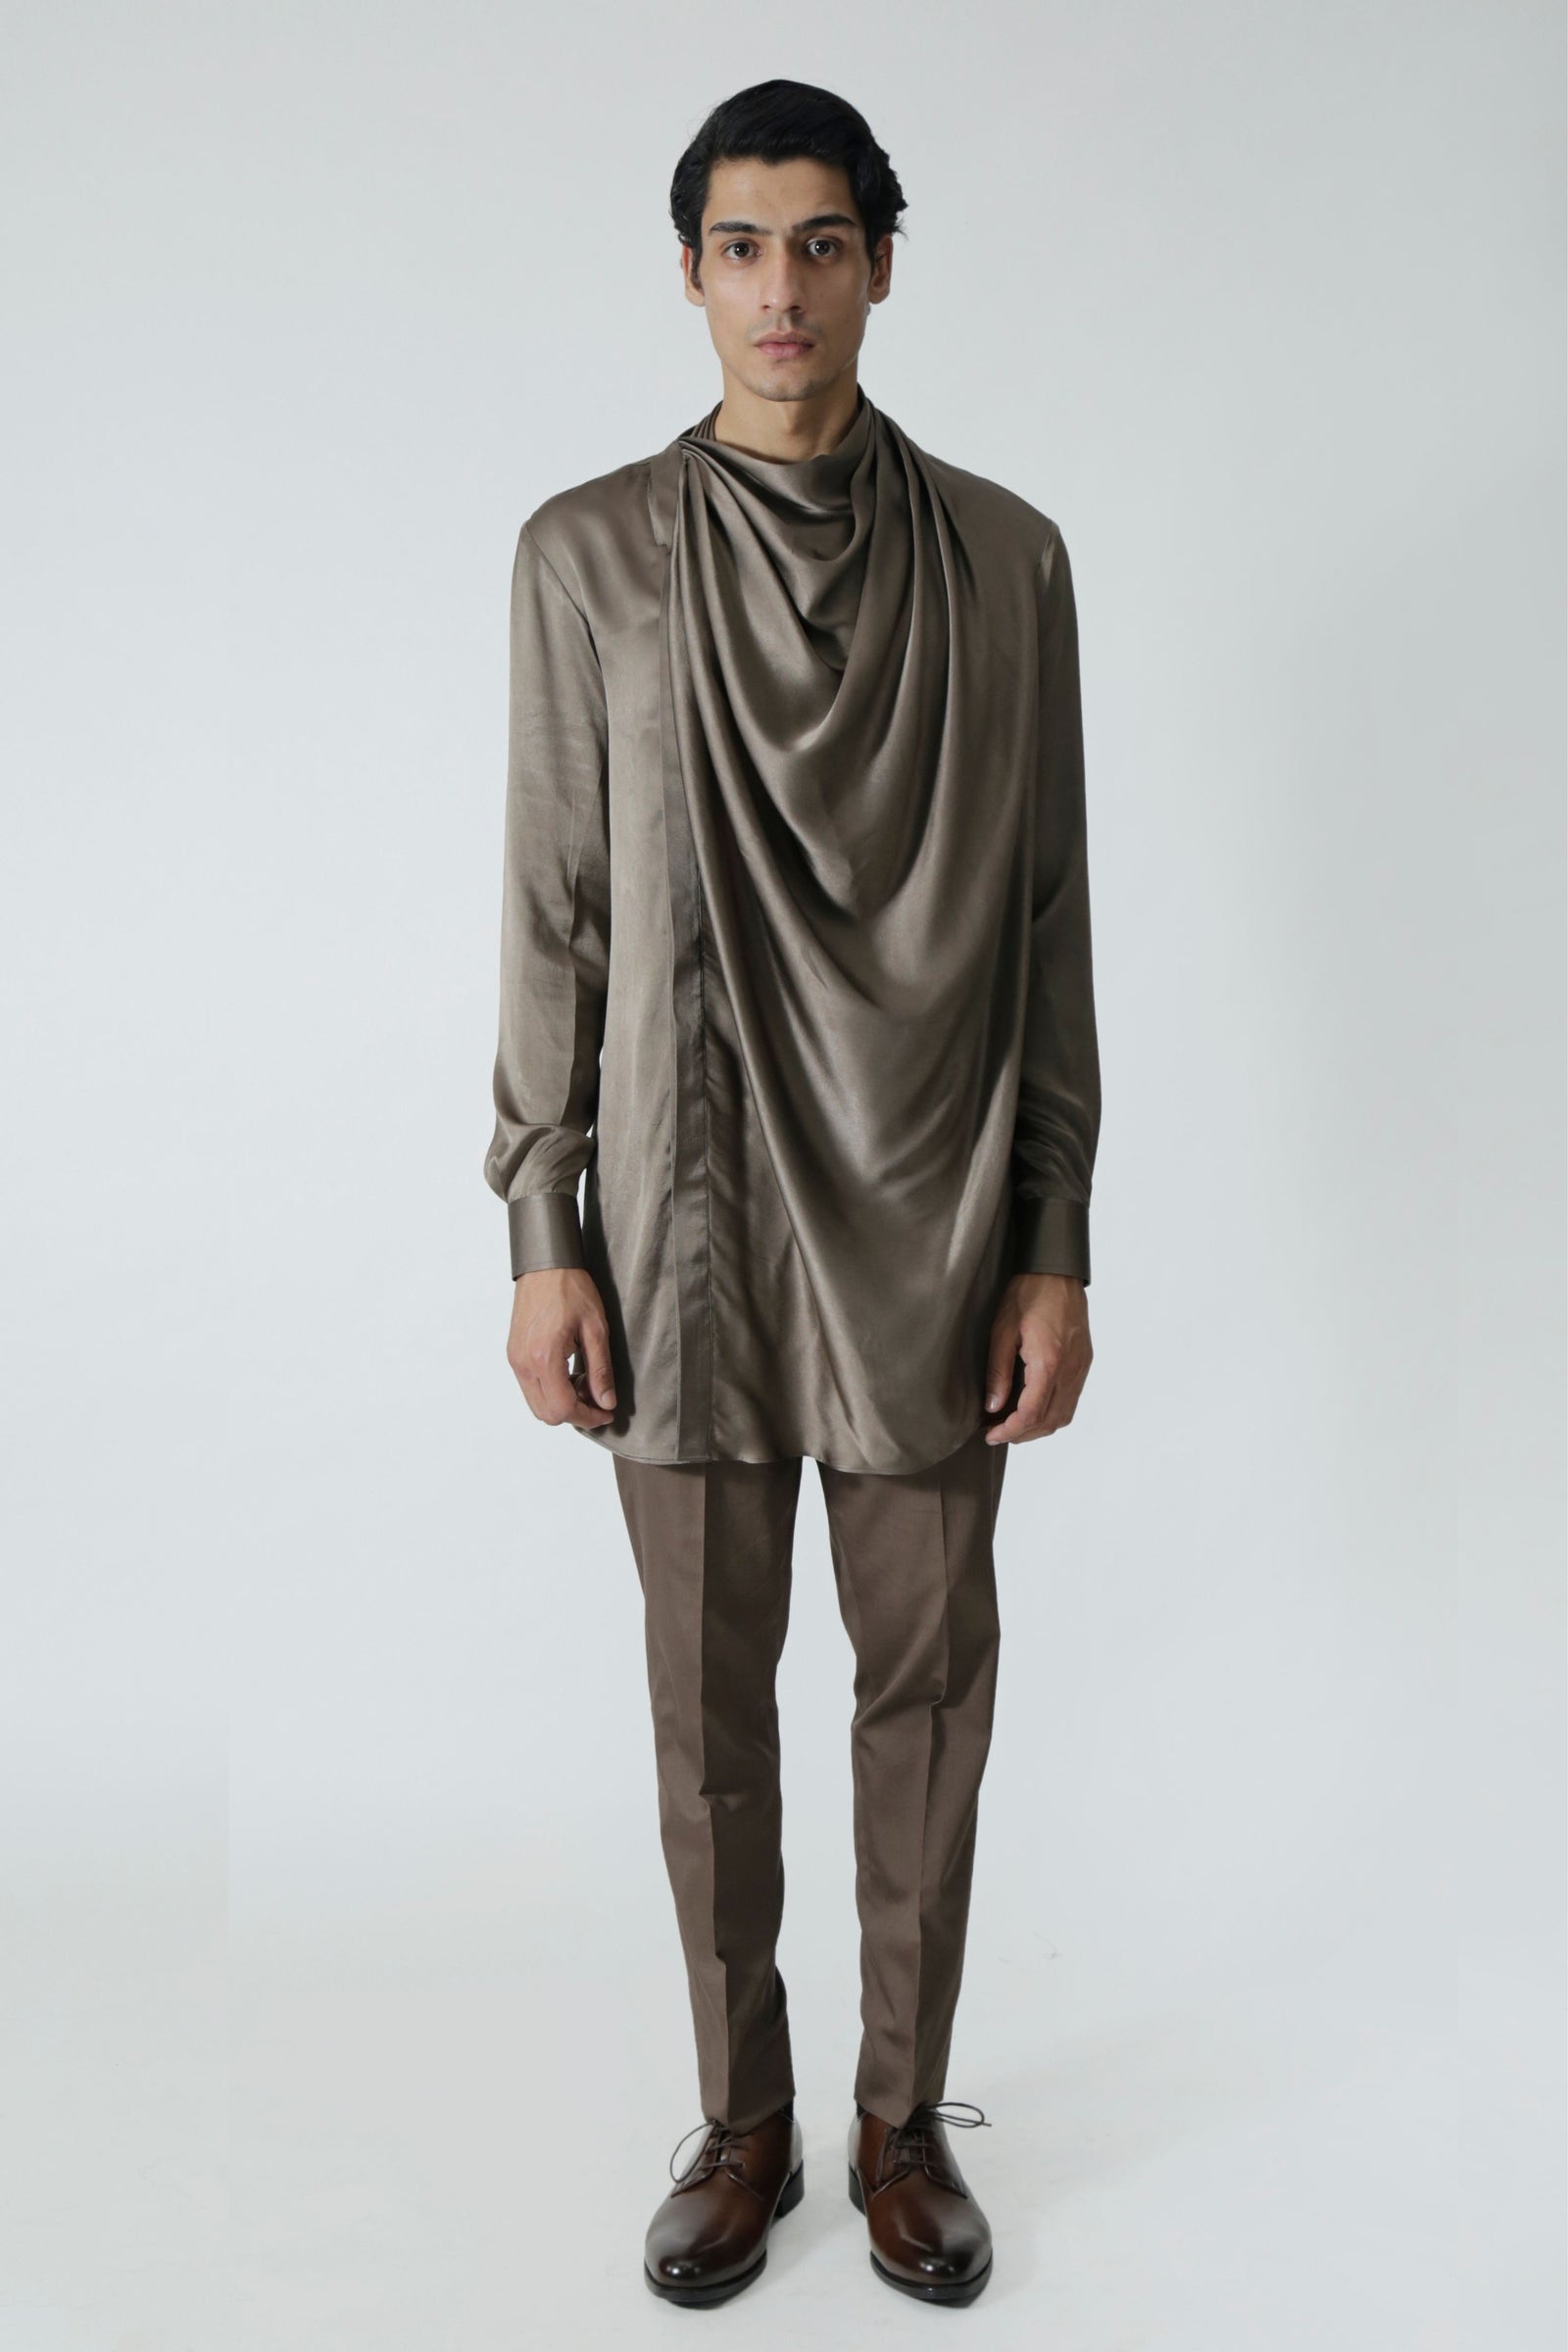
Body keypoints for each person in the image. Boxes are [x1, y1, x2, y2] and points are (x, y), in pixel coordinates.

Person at [482, 77, 1101, 2308]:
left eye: (821, 244)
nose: (780, 289)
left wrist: (1052, 1241)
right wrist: (543, 1228)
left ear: (879, 266)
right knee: (705, 1708)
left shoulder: (1006, 561)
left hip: (935, 1211)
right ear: (688, 273)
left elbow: (1046, 924)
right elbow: (555, 911)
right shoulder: (586, 559)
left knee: (925, 1697)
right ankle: (743, 2122)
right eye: (740, 246)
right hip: (686, 1220)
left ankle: (897, 2121)